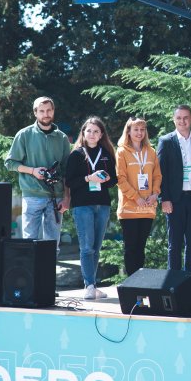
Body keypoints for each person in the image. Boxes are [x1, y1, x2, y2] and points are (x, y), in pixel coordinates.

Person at [4, 96, 71, 256]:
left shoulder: (62, 138)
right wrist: (33, 171)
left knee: (52, 246)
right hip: (32, 195)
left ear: (53, 111)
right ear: (35, 113)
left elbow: (67, 171)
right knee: (29, 243)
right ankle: (29, 273)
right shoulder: (24, 134)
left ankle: (49, 273)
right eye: (41, 111)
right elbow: (10, 163)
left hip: (56, 197)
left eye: (49, 110)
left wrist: (67, 197)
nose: (45, 114)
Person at [65, 117, 117, 300]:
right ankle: (89, 285)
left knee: (96, 247)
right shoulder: (76, 154)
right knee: (87, 247)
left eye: (96, 131)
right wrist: (89, 178)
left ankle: (93, 285)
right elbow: (69, 181)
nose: (92, 134)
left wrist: (106, 179)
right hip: (83, 205)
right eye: (89, 131)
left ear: (101, 134)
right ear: (83, 133)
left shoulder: (106, 153)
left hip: (102, 205)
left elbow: (114, 180)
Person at [157, 105, 191, 273]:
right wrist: (164, 198)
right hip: (175, 200)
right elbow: (160, 173)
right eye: (179, 118)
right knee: (174, 243)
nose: (182, 121)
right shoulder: (166, 141)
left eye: (186, 117)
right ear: (174, 120)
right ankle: (173, 282)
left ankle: (190, 282)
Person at [115, 117, 162, 277]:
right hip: (129, 208)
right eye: (136, 129)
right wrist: (136, 197)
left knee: (141, 248)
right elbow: (120, 179)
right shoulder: (122, 152)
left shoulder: (151, 151)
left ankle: (139, 282)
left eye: (142, 129)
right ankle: (131, 283)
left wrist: (155, 193)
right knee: (131, 248)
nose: (139, 133)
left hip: (147, 207)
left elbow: (157, 176)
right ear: (128, 131)